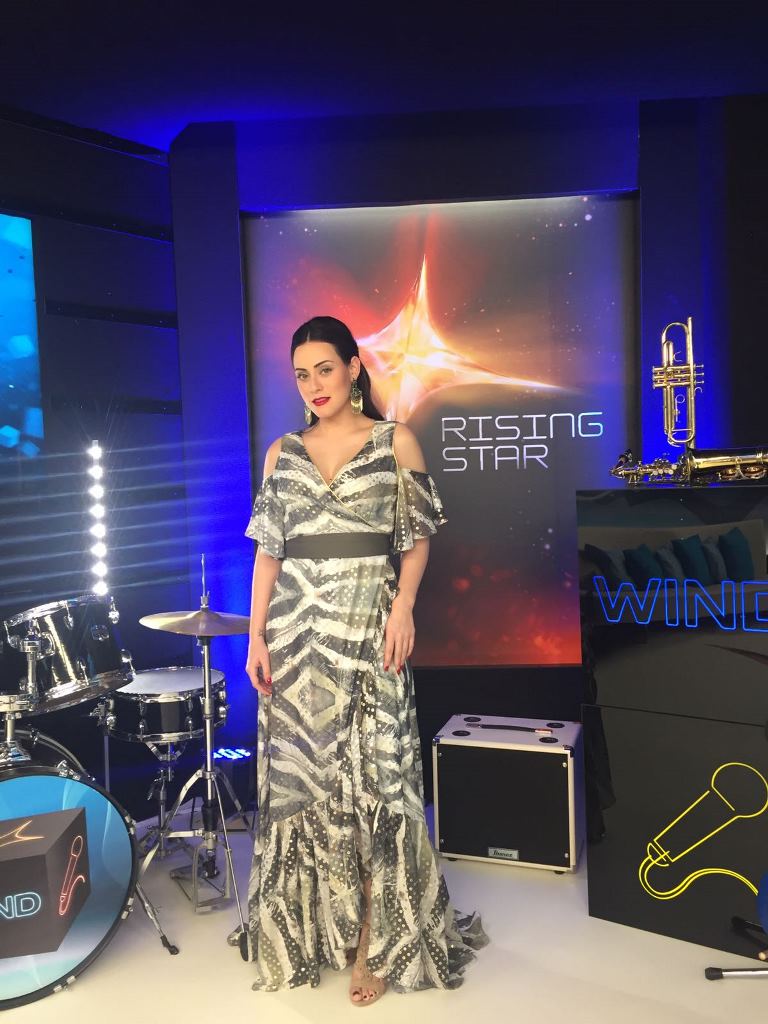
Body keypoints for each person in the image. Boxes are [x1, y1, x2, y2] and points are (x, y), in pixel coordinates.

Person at [242, 315, 486, 1004]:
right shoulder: (282, 452)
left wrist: (404, 606)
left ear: (353, 367)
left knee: (380, 784)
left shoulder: (394, 441)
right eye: (302, 374)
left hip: (368, 629)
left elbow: (416, 539)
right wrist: (256, 636)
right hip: (295, 638)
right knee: (304, 786)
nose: (313, 385)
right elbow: (268, 554)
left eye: (325, 368)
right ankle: (320, 930)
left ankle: (379, 940)